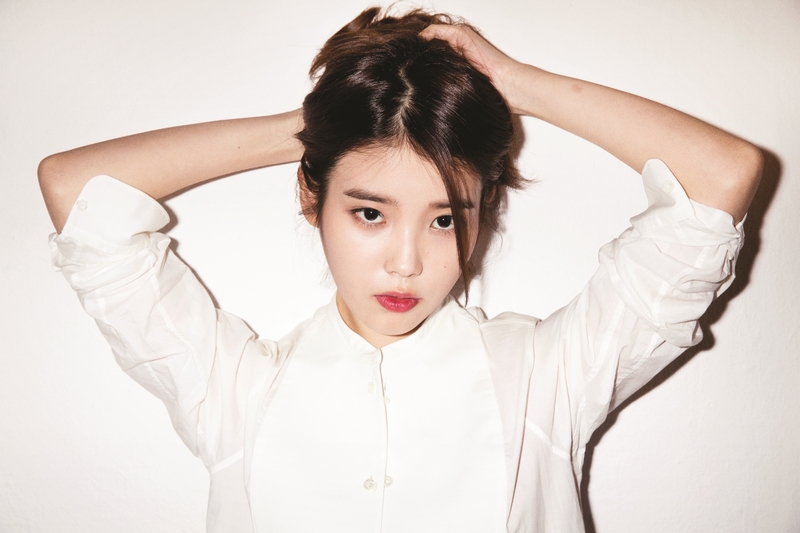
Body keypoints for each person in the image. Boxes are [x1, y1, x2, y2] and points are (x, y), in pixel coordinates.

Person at [39, 7, 762, 533]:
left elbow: (720, 176)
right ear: (311, 198)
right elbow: (77, 192)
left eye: (445, 218)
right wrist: (323, 126)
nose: (408, 262)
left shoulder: (546, 379)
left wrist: (520, 84)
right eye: (370, 212)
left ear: (483, 211)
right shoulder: (235, 392)